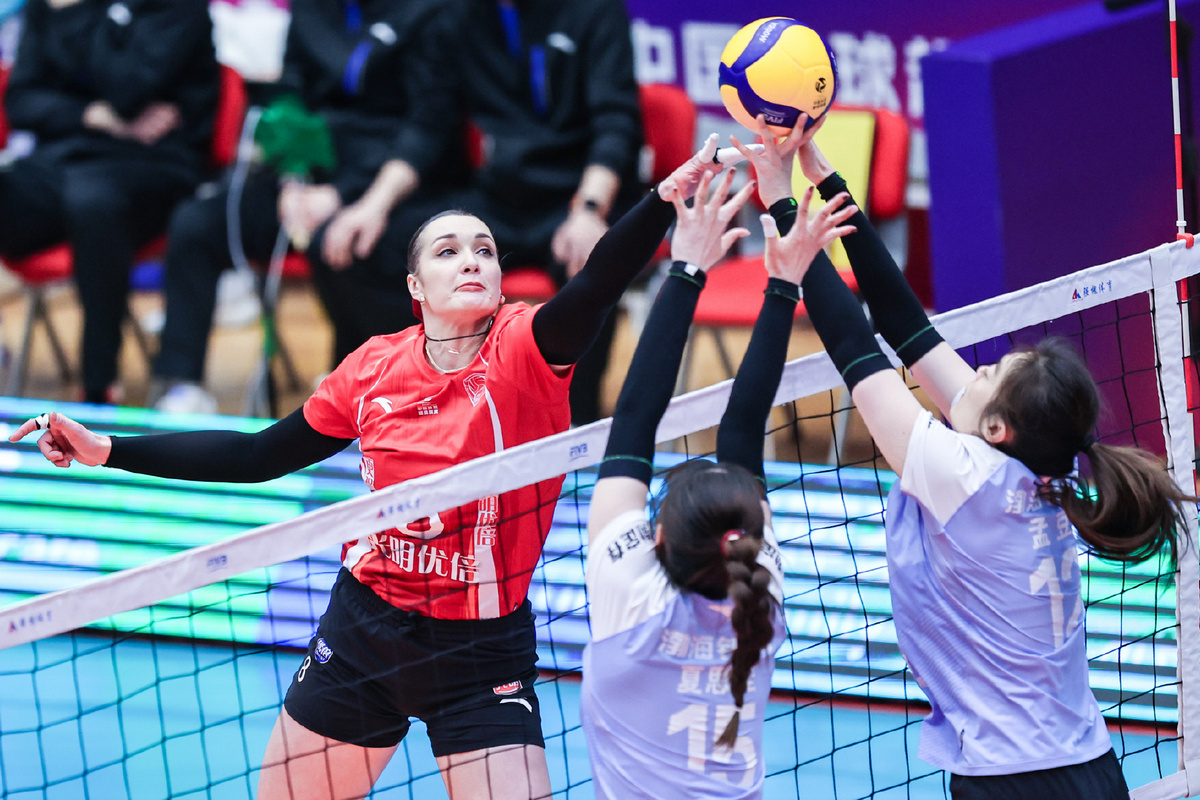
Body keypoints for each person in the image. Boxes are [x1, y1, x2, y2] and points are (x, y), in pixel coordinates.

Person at [8, 139, 730, 800]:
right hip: (362, 637)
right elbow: (258, 455)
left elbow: (598, 282)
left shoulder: (525, 350)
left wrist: (660, 201)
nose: (471, 260)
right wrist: (110, 448)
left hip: (481, 654)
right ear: (416, 287)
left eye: (484, 250)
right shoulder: (373, 368)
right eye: (448, 251)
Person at [732, 114, 1196, 798]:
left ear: (999, 426)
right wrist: (825, 180)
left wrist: (778, 200)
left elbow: (857, 348)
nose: (974, 371)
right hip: (1089, 768)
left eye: (988, 374)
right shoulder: (1039, 468)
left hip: (1015, 781)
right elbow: (906, 325)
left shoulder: (966, 477)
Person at [580, 146, 857, 795]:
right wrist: (771, 283)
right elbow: (679, 426)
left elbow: (648, 418)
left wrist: (693, 266)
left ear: (656, 539)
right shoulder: (759, 602)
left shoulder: (645, 599)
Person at [312, 0, 644, 425]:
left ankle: (572, 424)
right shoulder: (459, 15)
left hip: (576, 199)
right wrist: (373, 206)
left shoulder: (595, 11)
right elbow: (429, 126)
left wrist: (590, 210)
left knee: (592, 265)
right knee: (366, 249)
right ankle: (429, 396)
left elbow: (615, 124)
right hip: (497, 199)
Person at [150, 0, 463, 414]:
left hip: (392, 183)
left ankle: (362, 386)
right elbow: (291, 96)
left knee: (339, 243)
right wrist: (292, 178)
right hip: (310, 175)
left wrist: (346, 197)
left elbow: (429, 127)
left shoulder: (430, 12)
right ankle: (179, 385)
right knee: (196, 224)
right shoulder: (311, 9)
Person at [0, 0, 218, 405]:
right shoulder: (51, 6)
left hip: (155, 164)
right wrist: (91, 115)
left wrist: (72, 13)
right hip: (65, 157)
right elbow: (21, 102)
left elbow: (127, 89)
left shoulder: (175, 8)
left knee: (91, 201)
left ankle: (98, 385)